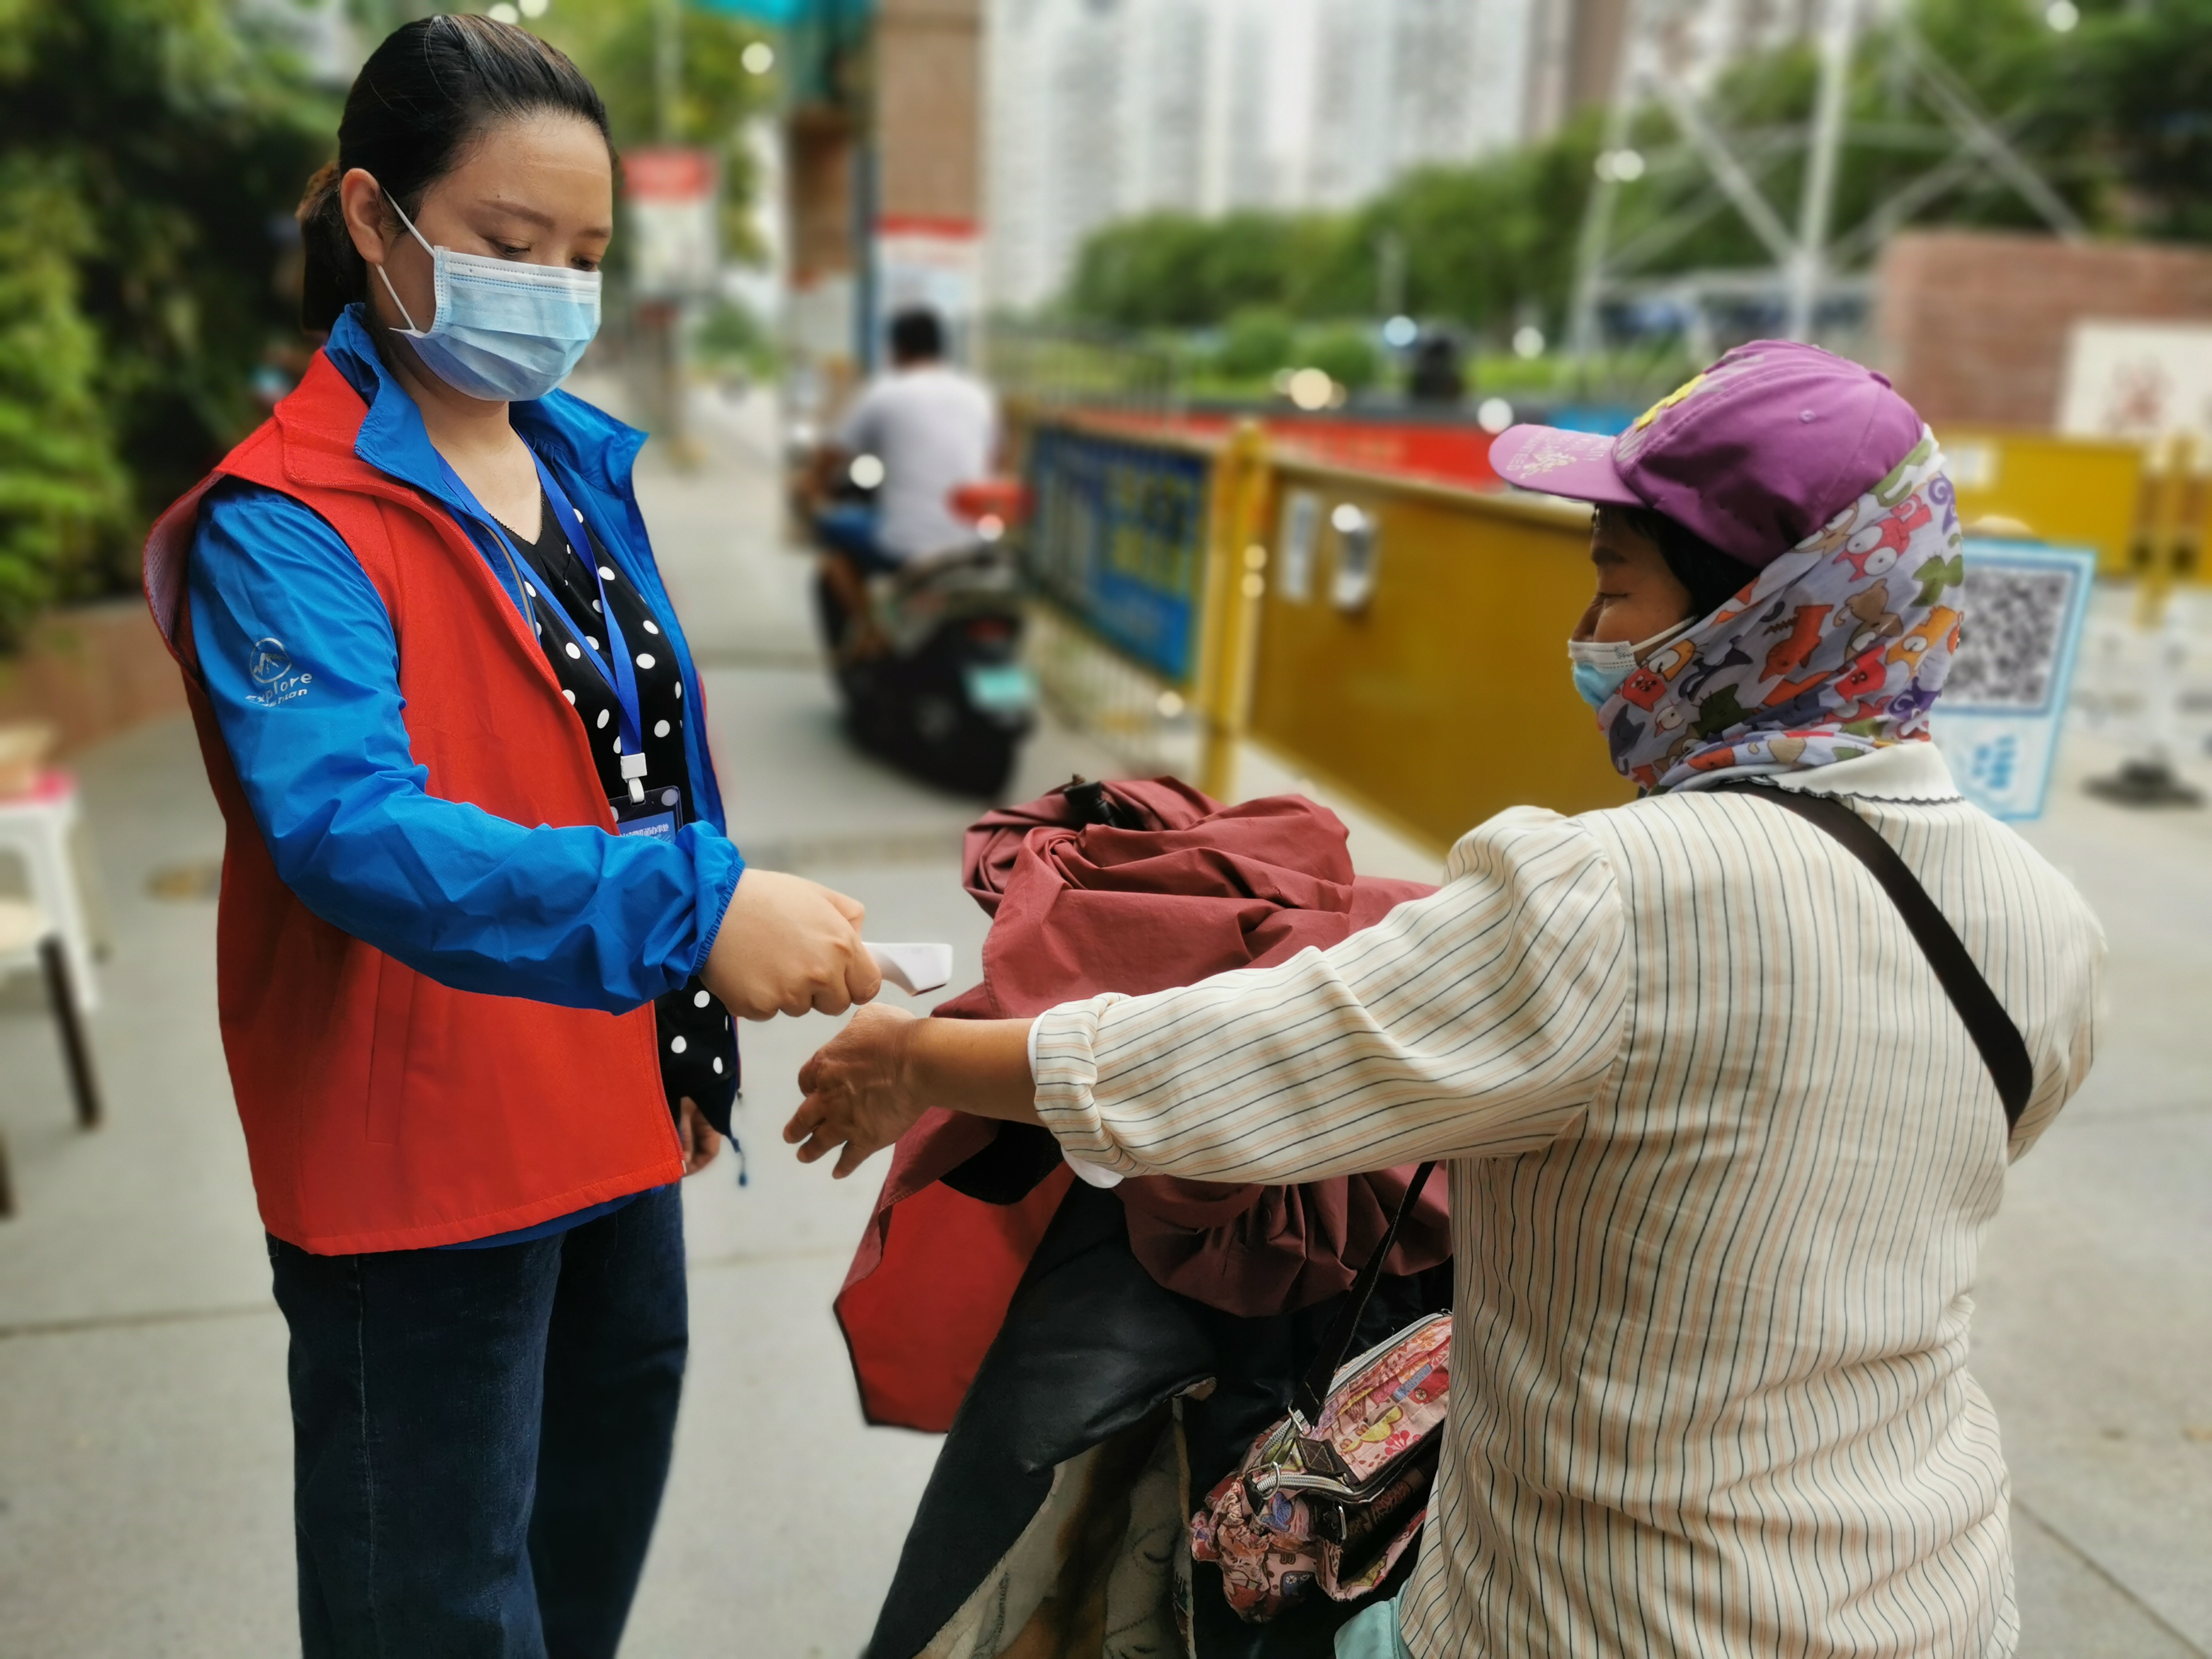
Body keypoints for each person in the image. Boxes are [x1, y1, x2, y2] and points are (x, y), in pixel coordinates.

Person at [787, 342, 2105, 1657]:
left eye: (1617, 585)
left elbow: (1224, 1072)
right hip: (1936, 1596)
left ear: (1756, 614)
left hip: (1620, 1618)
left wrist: (920, 1057)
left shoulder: (1611, 893)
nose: (1590, 640)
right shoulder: (2050, 924)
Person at [138, 18, 879, 1657]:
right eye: (505, 242)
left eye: (587, 253)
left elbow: (636, 760)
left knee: (581, 1556)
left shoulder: (571, 461)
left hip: (610, 1114)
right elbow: (351, 833)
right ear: (369, 215)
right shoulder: (289, 520)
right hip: (420, 1172)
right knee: (438, 1608)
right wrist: (695, 914)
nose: (552, 284)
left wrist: (687, 1041)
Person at [812, 306, 999, 577]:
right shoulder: (979, 394)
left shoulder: (883, 392)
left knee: (834, 529)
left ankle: (867, 621)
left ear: (897, 350)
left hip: (904, 545)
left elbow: (832, 453)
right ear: (941, 349)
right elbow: (992, 460)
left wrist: (811, 484)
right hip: (973, 542)